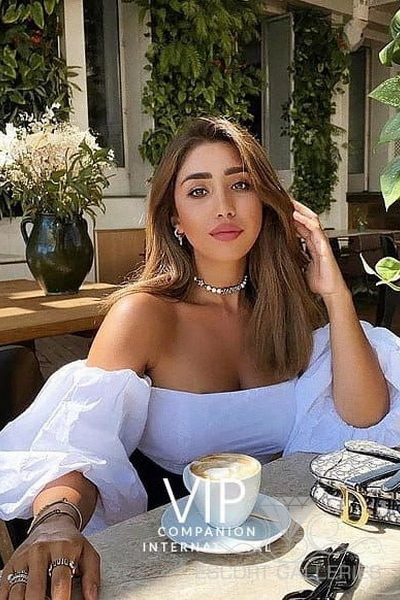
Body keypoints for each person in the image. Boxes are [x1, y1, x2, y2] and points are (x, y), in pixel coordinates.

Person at [1, 116, 400, 599]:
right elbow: (81, 440)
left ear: (265, 201)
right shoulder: (144, 315)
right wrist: (55, 522)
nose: (224, 207)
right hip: (172, 556)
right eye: (198, 191)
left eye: (240, 185)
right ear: (174, 218)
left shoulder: (293, 310)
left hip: (282, 543)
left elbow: (365, 414)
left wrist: (335, 293)